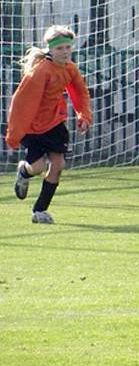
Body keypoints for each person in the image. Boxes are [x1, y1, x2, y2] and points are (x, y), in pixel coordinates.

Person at [5, 26, 92, 224]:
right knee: (37, 167)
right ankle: (24, 171)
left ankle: (40, 210)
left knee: (58, 164)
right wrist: (14, 135)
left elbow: (80, 92)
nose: (65, 52)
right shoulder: (40, 71)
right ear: (50, 50)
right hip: (33, 127)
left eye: (68, 48)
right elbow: (21, 104)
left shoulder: (70, 68)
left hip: (55, 124)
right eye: (60, 48)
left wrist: (84, 115)